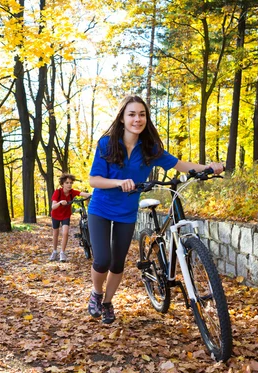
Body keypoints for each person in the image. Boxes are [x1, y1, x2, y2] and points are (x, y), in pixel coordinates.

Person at [87, 95, 224, 324]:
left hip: (126, 212)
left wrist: (208, 167)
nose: (137, 119)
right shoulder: (107, 143)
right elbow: (94, 180)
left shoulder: (150, 148)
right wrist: (119, 183)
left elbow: (180, 165)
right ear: (122, 118)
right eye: (131, 114)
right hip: (100, 209)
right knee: (102, 260)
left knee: (117, 263)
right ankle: (96, 293)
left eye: (141, 114)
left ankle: (108, 303)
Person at [50, 173, 91, 262]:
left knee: (65, 233)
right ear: (62, 184)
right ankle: (54, 251)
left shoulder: (72, 192)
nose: (69, 185)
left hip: (65, 215)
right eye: (67, 183)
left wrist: (93, 195)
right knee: (55, 233)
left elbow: (84, 194)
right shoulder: (58, 192)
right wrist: (60, 202)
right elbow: (53, 207)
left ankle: (62, 253)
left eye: (71, 183)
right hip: (56, 215)